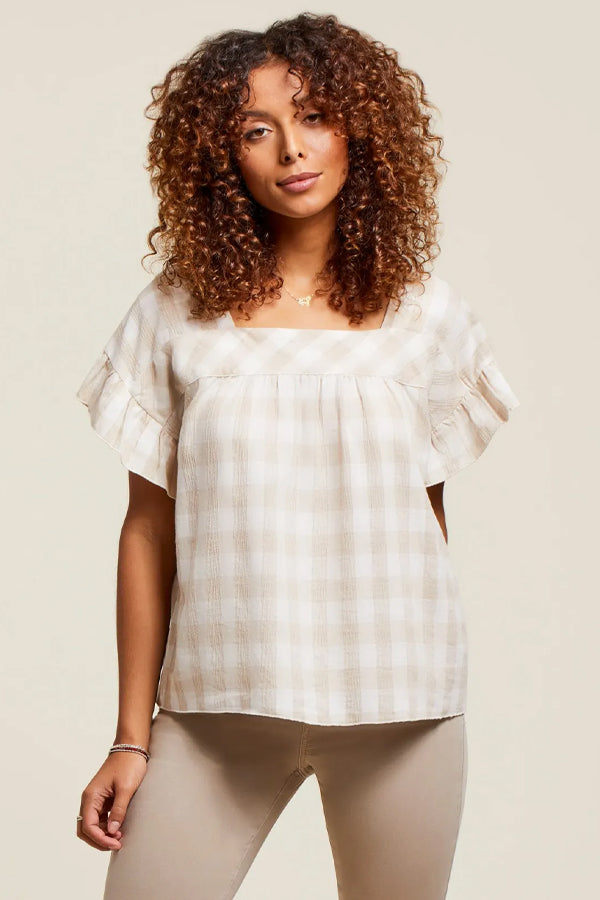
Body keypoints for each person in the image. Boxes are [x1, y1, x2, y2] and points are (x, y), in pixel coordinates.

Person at [74, 12, 520, 900]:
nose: (292, 149)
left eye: (314, 116)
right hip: (217, 704)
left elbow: (425, 518)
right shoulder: (175, 313)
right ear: (221, 156)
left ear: (361, 127)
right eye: (256, 129)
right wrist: (131, 733)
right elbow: (147, 531)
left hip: (399, 704)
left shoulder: (426, 315)